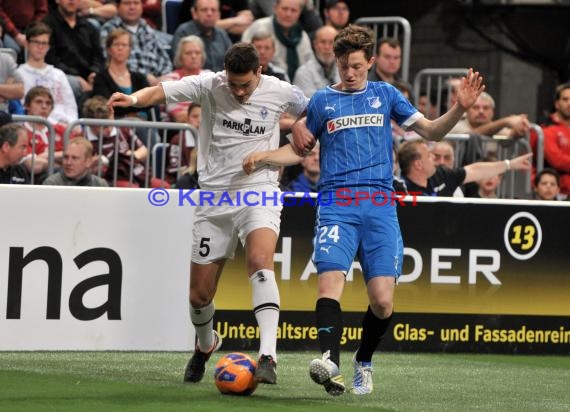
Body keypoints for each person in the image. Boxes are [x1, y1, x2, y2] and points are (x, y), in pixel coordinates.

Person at [246, 25, 485, 396]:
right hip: (336, 203)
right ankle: (330, 363)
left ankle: (364, 360)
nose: (350, 72)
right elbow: (300, 149)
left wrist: (459, 108)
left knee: (383, 302)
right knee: (329, 284)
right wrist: (264, 157)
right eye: (343, 65)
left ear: (370, 62)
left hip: (379, 205)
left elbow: (433, 132)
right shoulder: (323, 100)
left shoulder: (386, 94)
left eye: (356, 65)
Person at [107, 42, 309, 385]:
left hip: (257, 190)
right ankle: (205, 345)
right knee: (199, 297)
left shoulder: (281, 91)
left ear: (260, 72)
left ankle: (268, 356)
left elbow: (314, 109)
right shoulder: (211, 85)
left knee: (260, 262)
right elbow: (161, 92)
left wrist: (303, 124)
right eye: (234, 84)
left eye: (245, 84)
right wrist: (133, 100)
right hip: (213, 199)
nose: (240, 91)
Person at [398, 139, 531, 197]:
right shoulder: (398, 190)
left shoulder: (442, 175)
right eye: (428, 156)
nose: (434, 158)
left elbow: (475, 170)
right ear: (418, 164)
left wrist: (509, 164)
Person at [43, 0, 105, 105]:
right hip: (61, 76)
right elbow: (51, 59)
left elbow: (98, 56)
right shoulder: (47, 25)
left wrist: (93, 74)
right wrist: (77, 77)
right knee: (73, 83)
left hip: (88, 78)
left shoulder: (89, 27)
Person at [17, 21, 78, 124]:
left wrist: (72, 125)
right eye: (36, 42)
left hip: (64, 128)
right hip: (35, 126)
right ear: (27, 44)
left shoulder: (59, 74)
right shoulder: (19, 74)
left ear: (49, 46)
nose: (40, 47)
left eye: (44, 43)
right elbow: (24, 106)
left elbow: (71, 106)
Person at [100, 0, 173, 86]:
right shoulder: (109, 29)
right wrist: (144, 77)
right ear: (118, 6)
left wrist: (163, 77)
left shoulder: (148, 30)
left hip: (156, 84)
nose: (132, 7)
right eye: (127, 3)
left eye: (136, 3)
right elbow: (109, 60)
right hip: (126, 83)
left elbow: (165, 61)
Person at [242, 0, 314, 82]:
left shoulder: (303, 36)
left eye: (293, 10)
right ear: (275, 8)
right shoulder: (259, 27)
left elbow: (308, 67)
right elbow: (244, 57)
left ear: (299, 13)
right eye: (284, 9)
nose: (288, 14)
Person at [93, 28, 152, 121]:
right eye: (116, 44)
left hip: (142, 123)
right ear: (108, 49)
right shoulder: (101, 78)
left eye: (124, 45)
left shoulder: (139, 77)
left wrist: (128, 107)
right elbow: (107, 104)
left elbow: (150, 101)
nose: (120, 48)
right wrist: (134, 110)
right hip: (116, 124)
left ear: (130, 49)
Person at [171, 0, 233, 72]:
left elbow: (232, 62)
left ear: (219, 14)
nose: (209, 13)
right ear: (194, 13)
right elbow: (178, 63)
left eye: (213, 10)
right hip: (193, 81)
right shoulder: (183, 32)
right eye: (204, 10)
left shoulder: (222, 34)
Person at [160, 35, 210, 122]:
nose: (194, 56)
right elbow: (177, 116)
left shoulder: (209, 76)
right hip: (179, 130)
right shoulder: (170, 80)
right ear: (180, 57)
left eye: (197, 53)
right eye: (188, 53)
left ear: (202, 56)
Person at [538, 83, 570, 196]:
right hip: (557, 192)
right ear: (557, 104)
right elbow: (557, 160)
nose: (569, 103)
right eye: (565, 99)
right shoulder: (547, 128)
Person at [292, 25, 338, 98]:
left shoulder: (345, 69)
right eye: (323, 42)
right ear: (315, 44)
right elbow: (311, 105)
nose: (327, 47)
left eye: (331, 42)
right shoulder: (303, 73)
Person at [42, 137, 109, 186]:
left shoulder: (100, 185)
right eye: (66, 157)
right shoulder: (51, 184)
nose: (68, 163)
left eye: (75, 158)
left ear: (88, 162)